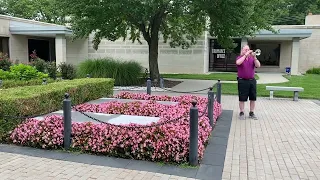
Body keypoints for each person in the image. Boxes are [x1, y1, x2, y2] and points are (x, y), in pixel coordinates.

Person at [236, 45, 261, 120]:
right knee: (242, 98)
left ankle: (251, 112)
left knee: (253, 98)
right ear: (242, 50)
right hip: (242, 80)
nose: (247, 51)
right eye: (245, 50)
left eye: (248, 49)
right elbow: (238, 63)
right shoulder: (240, 58)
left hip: (251, 80)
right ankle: (241, 112)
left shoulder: (252, 58)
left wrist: (255, 57)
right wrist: (246, 55)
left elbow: (258, 65)